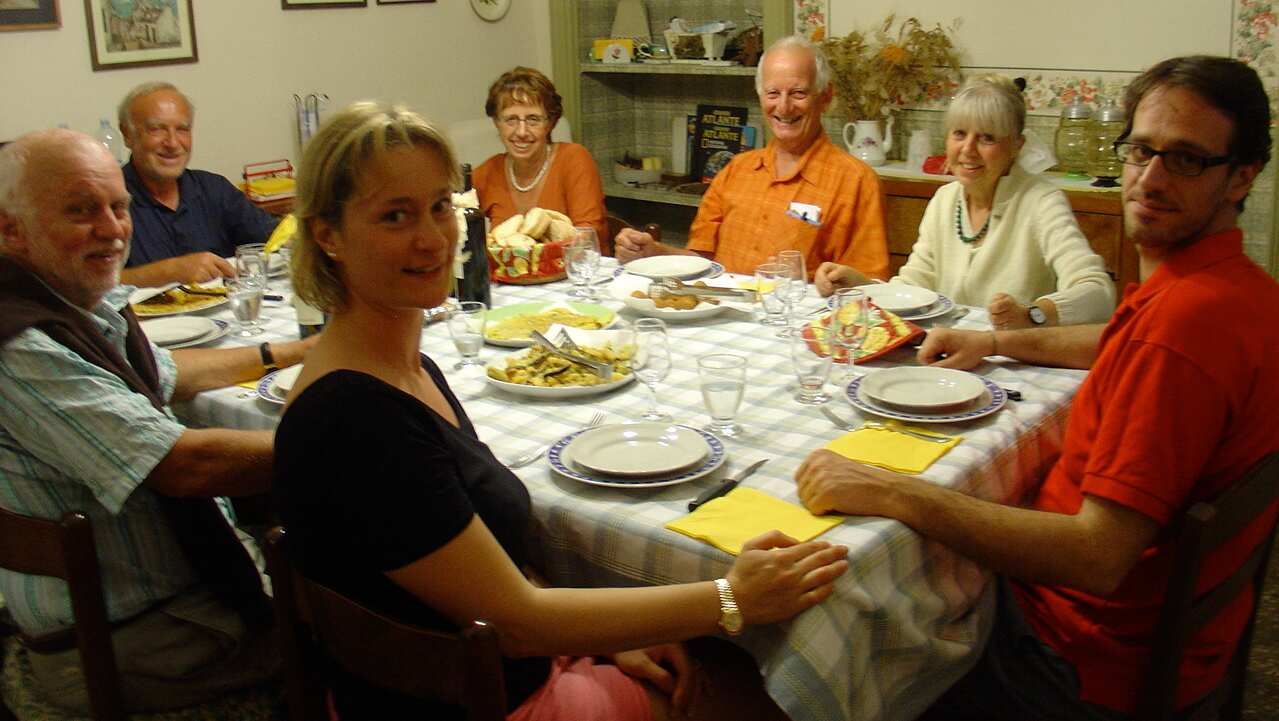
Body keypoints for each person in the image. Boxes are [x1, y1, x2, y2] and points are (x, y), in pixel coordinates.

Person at [273, 102, 850, 721]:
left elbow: (483, 576)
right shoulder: (356, 418)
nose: (432, 237)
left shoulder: (403, 370)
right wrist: (730, 597)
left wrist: (611, 634)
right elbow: (517, 622)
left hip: (495, 671)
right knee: (758, 691)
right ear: (327, 235)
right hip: (487, 700)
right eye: (395, 216)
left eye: (440, 206)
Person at [796, 56, 1278, 721]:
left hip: (1070, 657)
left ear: (1240, 177)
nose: (1150, 177)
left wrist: (887, 488)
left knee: (849, 610)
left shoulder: (1181, 331)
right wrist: (996, 340)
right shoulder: (1234, 289)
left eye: (1187, 160)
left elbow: (1095, 555)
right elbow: (1112, 337)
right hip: (1167, 628)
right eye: (1140, 150)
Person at [0, 129, 317, 712]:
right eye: (80, 210)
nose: (112, 227)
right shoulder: (18, 344)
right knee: (368, 617)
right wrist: (345, 444)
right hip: (134, 637)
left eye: (118, 206)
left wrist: (294, 352)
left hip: (158, 603)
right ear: (8, 228)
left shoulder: (65, 303)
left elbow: (167, 371)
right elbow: (184, 466)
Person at [813, 75, 1115, 328]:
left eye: (987, 138)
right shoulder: (945, 200)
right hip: (951, 355)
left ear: (1016, 146)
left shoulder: (1041, 202)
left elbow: (1098, 293)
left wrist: (1033, 315)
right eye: (959, 134)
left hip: (1017, 361)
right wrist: (862, 287)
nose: (967, 150)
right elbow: (914, 287)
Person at [614, 35, 889, 280]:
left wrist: (807, 280)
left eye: (798, 93)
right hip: (726, 321)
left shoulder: (856, 181)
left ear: (826, 97)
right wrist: (655, 253)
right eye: (773, 93)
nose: (783, 106)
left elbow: (869, 288)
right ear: (760, 97)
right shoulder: (736, 169)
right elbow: (706, 264)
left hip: (799, 327)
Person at [116, 82, 280, 287]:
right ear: (127, 135)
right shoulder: (107, 204)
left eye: (182, 129)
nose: (173, 143)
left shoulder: (214, 190)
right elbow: (85, 287)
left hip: (229, 316)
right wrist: (169, 271)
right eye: (157, 129)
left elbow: (279, 240)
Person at [473, 67, 608, 244]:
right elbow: (452, 219)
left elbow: (589, 236)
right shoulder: (488, 172)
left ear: (550, 123)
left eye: (533, 119)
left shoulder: (574, 159)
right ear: (497, 123)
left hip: (572, 271)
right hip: (509, 272)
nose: (521, 131)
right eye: (511, 119)